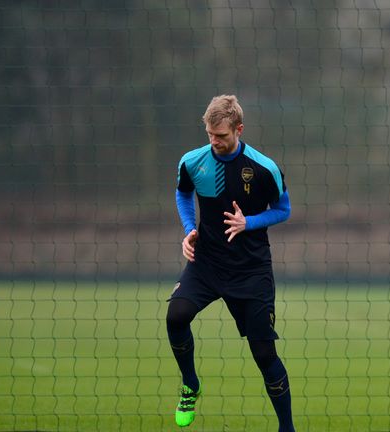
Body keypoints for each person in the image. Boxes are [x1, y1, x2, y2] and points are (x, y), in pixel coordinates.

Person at [166, 95, 294, 430]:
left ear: (239, 129)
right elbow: (182, 193)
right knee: (176, 316)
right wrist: (190, 230)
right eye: (209, 134)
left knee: (264, 354)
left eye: (221, 136)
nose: (214, 141)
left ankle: (287, 428)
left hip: (251, 269)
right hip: (206, 263)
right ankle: (190, 385)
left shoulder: (264, 168)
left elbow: (284, 210)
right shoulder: (193, 162)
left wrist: (247, 223)